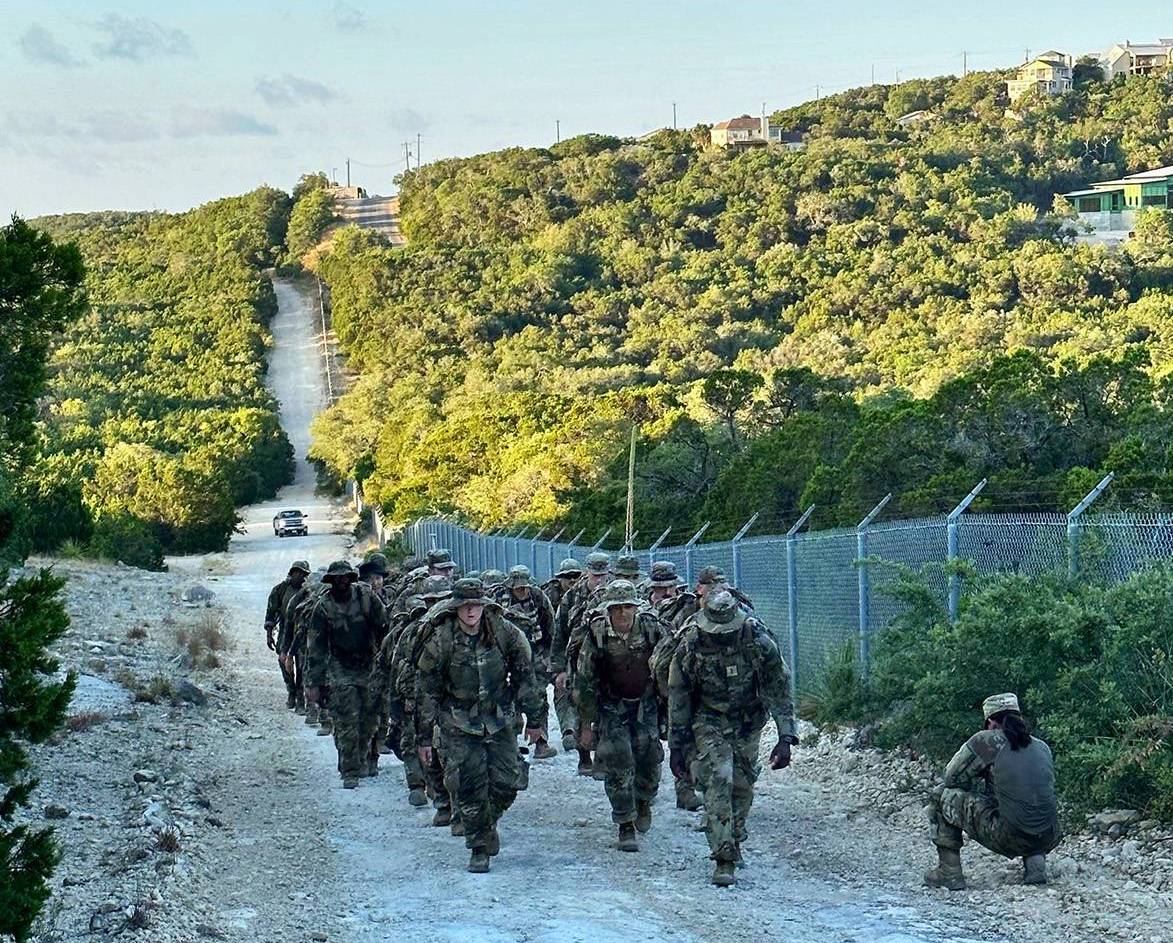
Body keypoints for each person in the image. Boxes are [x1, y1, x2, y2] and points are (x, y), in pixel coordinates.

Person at [416, 578, 547, 873]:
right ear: (456, 608)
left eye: (475, 604)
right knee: (468, 785)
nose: (471, 611)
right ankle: (478, 847)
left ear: (484, 606)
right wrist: (424, 737)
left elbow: (526, 676)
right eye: (465, 605)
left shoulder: (504, 632)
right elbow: (427, 692)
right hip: (459, 722)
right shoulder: (441, 641)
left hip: (500, 718)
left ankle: (486, 824)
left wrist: (535, 720)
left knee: (508, 781)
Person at [668, 590, 797, 886]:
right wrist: (677, 745)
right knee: (719, 777)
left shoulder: (758, 642)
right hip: (708, 719)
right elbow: (679, 696)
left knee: (742, 785)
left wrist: (786, 737)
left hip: (748, 721)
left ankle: (734, 839)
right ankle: (723, 856)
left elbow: (780, 688)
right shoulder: (691, 645)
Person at [924, 693, 1061, 890]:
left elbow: (951, 778)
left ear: (990, 722)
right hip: (1048, 834)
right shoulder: (1041, 746)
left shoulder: (986, 741)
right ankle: (1035, 862)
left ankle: (949, 871)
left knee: (940, 794)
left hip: (1008, 836)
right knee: (1025, 803)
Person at [576, 580, 666, 852]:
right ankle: (625, 821)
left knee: (649, 757)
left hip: (646, 704)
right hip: (611, 706)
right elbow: (585, 680)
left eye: (628, 607)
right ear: (609, 610)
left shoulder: (652, 629)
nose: (623, 613)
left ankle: (643, 801)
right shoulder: (598, 634)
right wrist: (586, 725)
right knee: (618, 759)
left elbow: (670, 667)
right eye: (617, 608)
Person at [304, 561, 388, 789]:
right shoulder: (323, 607)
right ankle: (349, 769)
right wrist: (313, 682)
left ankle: (365, 758)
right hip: (339, 668)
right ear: (330, 581)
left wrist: (386, 663)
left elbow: (384, 628)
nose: (341, 582)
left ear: (351, 578)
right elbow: (316, 646)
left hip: (368, 664)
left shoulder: (367, 598)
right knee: (346, 720)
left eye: (345, 578)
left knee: (370, 719)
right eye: (336, 579)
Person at [552, 551, 611, 771]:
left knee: (607, 706)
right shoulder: (572, 596)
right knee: (580, 705)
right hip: (577, 660)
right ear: (587, 573)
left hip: (607, 658)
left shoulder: (614, 593)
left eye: (603, 575)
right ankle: (584, 756)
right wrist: (559, 669)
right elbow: (560, 633)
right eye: (595, 575)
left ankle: (603, 757)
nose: (599, 580)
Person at [492, 565, 558, 759]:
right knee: (506, 697)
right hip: (504, 652)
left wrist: (548, 657)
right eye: (519, 588)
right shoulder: (498, 599)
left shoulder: (539, 598)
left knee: (537, 694)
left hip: (534, 651)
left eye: (526, 587)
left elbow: (550, 627)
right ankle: (510, 742)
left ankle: (541, 741)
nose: (523, 591)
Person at [264, 561, 311, 709]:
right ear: (291, 573)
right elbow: (271, 612)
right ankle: (291, 690)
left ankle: (300, 694)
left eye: (303, 574)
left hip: (304, 631)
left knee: (303, 665)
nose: (300, 576)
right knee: (283, 660)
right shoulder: (280, 589)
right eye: (297, 573)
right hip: (286, 629)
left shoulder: (310, 591)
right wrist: (269, 634)